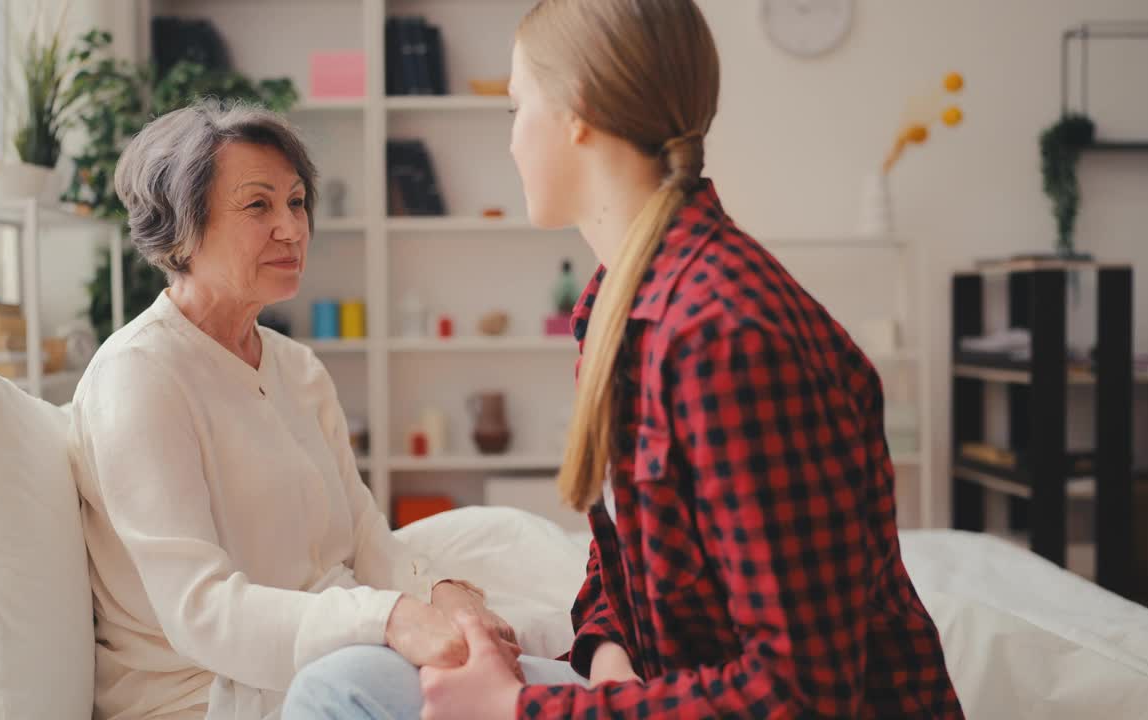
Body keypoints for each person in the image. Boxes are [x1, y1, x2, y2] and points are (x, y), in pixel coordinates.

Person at [287, 0, 966, 718]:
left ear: (577, 111)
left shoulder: (725, 336)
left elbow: (803, 692)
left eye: (518, 109)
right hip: (667, 694)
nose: (512, 142)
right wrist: (608, 666)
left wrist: (520, 711)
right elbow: (626, 565)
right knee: (344, 681)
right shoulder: (620, 307)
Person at [73, 101, 517, 720]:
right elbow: (200, 611)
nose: (292, 227)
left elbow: (363, 535)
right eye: (258, 205)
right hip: (210, 694)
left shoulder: (297, 367)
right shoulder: (139, 376)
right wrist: (389, 617)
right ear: (182, 229)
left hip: (335, 656)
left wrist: (440, 594)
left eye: (298, 201)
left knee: (535, 652)